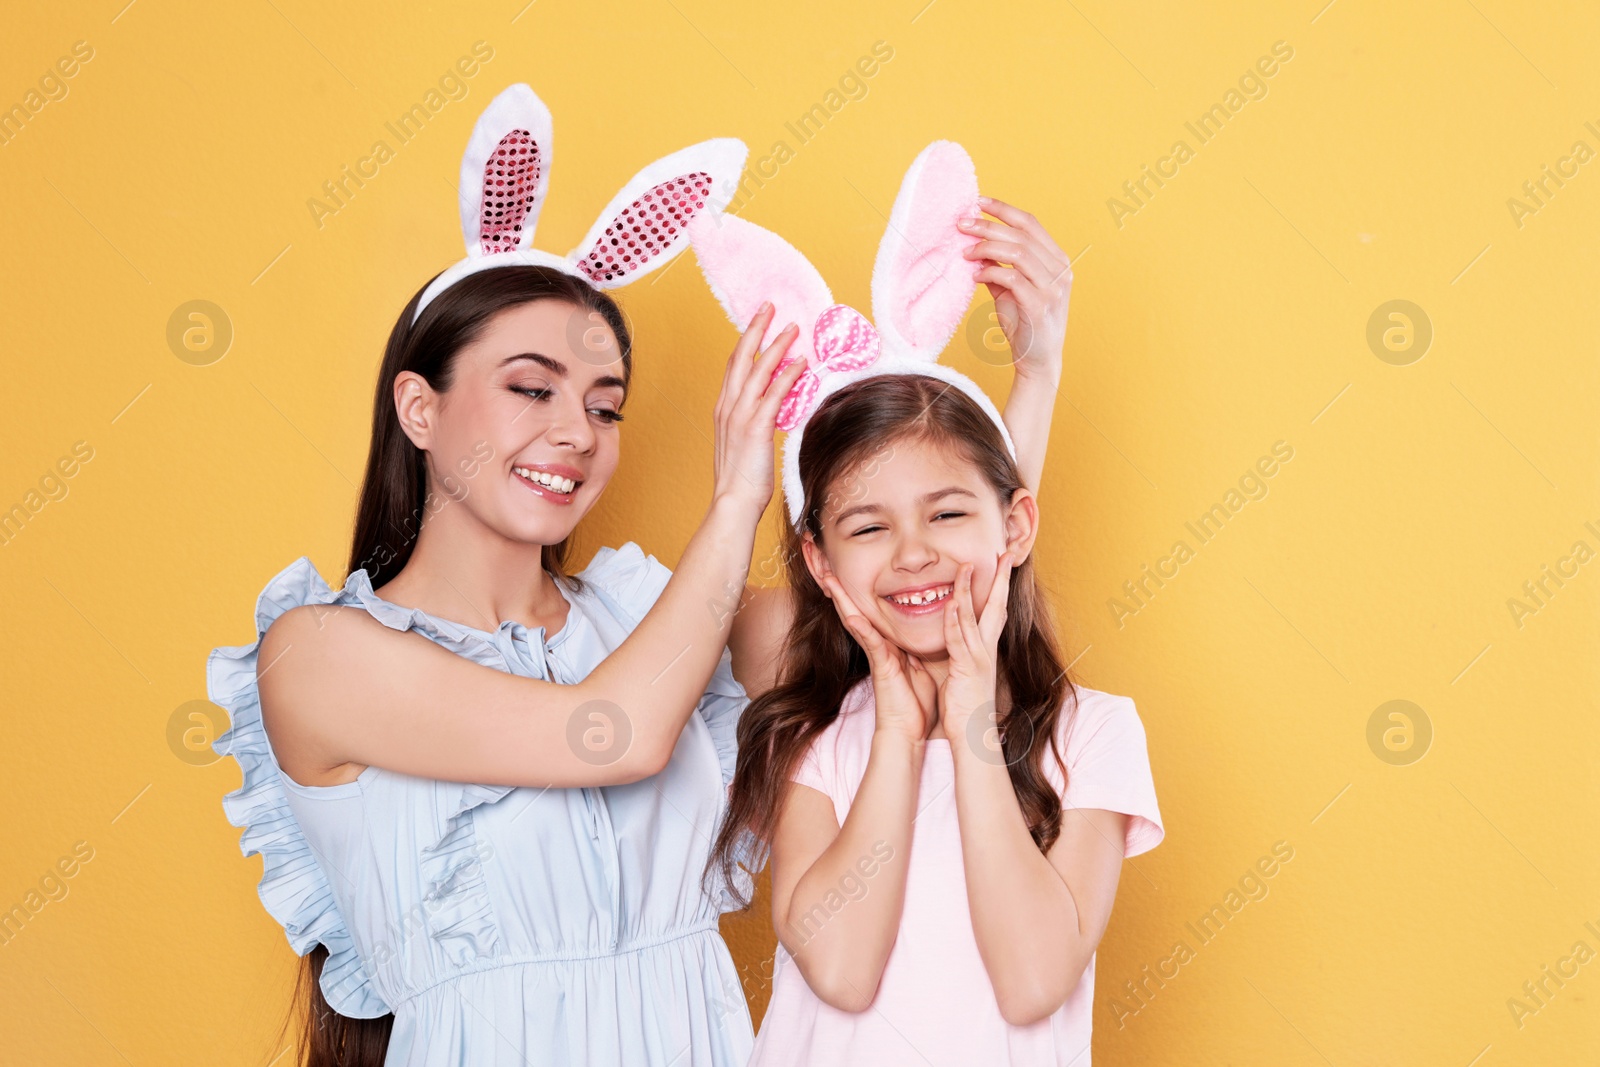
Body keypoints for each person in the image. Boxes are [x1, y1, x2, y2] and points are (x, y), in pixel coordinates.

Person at [695, 142, 1161, 1065]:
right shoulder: (812, 739)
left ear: (1018, 523)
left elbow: (1033, 983)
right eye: (865, 528)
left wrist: (972, 727)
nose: (912, 553)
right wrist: (902, 734)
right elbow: (842, 969)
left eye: (946, 514)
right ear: (820, 565)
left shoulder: (1094, 736)